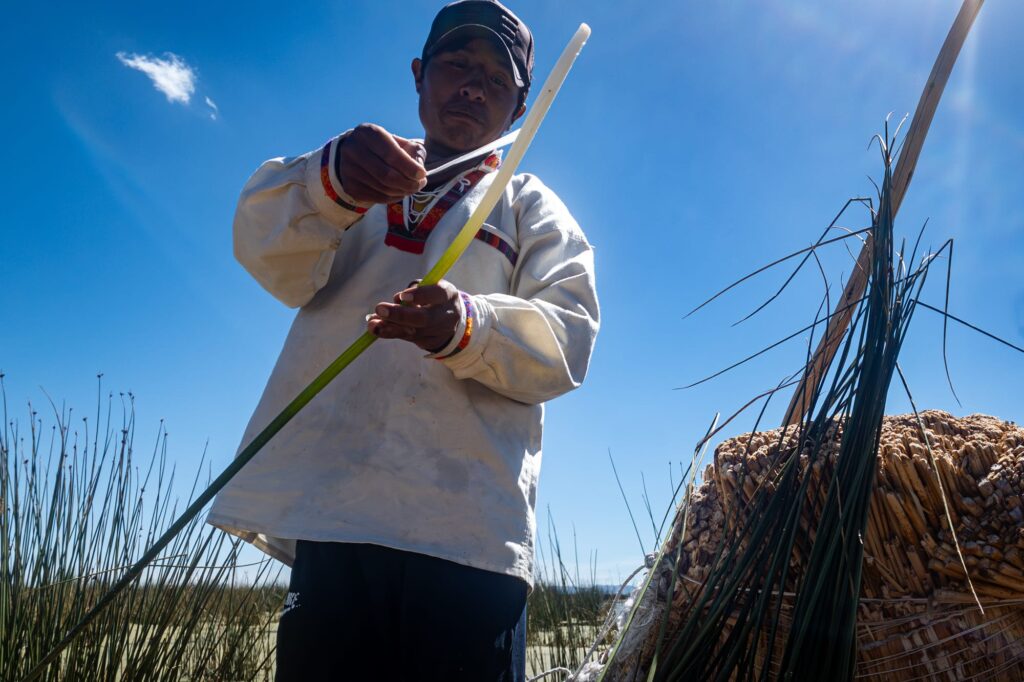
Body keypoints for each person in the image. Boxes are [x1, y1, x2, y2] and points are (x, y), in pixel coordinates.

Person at [206, 1, 599, 679]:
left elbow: (568, 340)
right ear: (418, 76)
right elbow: (268, 253)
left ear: (521, 108)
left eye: (496, 80)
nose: (473, 85)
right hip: (334, 522)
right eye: (456, 63)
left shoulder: (529, 205)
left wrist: (468, 326)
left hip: (471, 536)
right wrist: (327, 181)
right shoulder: (353, 172)